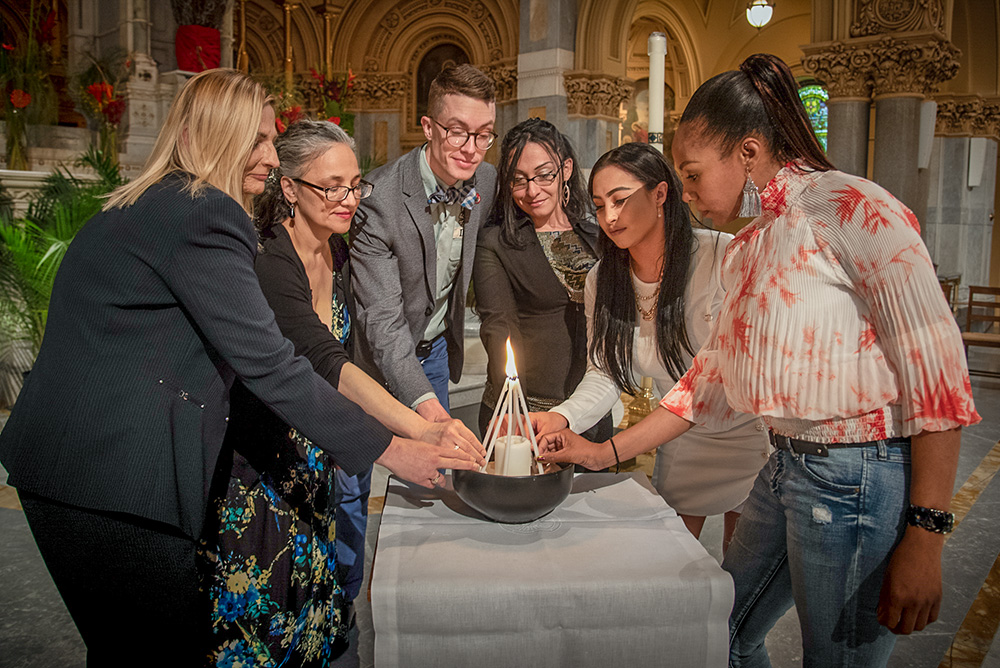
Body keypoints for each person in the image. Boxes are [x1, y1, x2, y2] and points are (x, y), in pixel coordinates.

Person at [0, 68, 478, 664]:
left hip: (75, 465)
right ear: (217, 136)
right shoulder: (204, 213)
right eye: (258, 139)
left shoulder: (157, 202)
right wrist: (394, 448)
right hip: (116, 475)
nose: (271, 156)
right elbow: (275, 364)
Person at [538, 54, 981, 666]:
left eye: (692, 176)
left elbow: (938, 377)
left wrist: (927, 532)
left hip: (856, 473)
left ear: (747, 152)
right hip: (786, 467)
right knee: (718, 632)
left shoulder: (854, 209)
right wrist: (599, 450)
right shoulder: (751, 246)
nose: (686, 196)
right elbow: (706, 382)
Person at [203, 120, 484, 666]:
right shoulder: (268, 260)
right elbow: (322, 357)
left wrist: (420, 418)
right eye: (330, 187)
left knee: (316, 599)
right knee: (262, 617)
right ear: (289, 188)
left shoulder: (339, 253)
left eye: (355, 185)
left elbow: (363, 348)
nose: (348, 199)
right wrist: (417, 428)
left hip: (316, 451)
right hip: (261, 466)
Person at [526, 141, 768, 550]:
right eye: (600, 206)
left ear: (660, 193)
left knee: (742, 569)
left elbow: (714, 382)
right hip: (678, 434)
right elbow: (603, 373)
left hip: (751, 431)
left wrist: (602, 453)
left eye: (620, 200)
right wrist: (562, 417)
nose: (610, 217)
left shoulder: (722, 255)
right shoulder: (603, 279)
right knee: (670, 558)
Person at [352, 64, 497, 422]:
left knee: (437, 471)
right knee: (356, 470)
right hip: (373, 356)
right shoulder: (379, 200)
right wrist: (429, 410)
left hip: (435, 351)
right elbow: (383, 320)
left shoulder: (487, 180)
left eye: (484, 135)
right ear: (429, 128)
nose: (472, 149)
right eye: (458, 132)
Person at [474, 118, 612, 443]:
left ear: (565, 169)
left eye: (544, 175)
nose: (532, 190)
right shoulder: (495, 243)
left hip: (588, 412)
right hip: (525, 415)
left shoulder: (598, 236)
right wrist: (514, 408)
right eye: (518, 180)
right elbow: (499, 327)